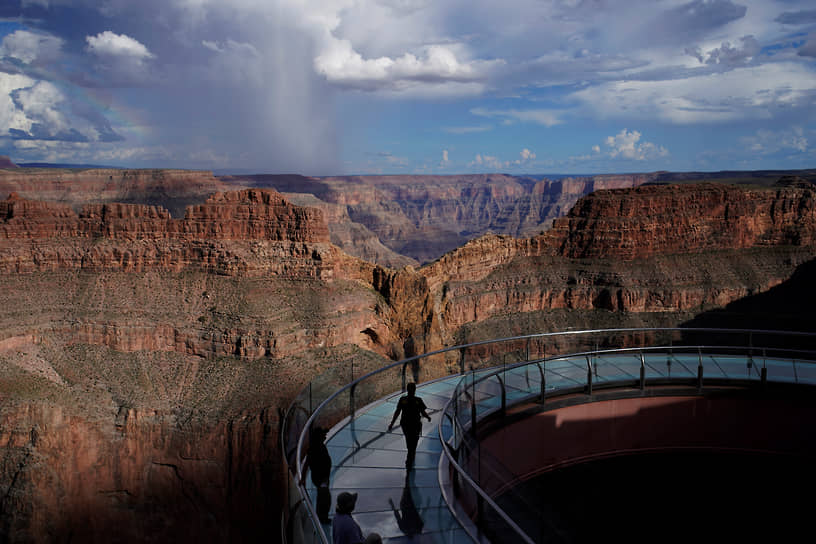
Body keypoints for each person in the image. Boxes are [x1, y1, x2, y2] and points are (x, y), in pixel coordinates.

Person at [387, 382, 431, 469]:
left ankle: (410, 456)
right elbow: (423, 412)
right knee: (414, 441)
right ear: (415, 390)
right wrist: (428, 417)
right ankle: (410, 456)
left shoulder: (403, 400)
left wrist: (392, 423)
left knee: (409, 440)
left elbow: (397, 412)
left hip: (406, 424)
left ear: (407, 389)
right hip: (415, 425)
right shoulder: (418, 400)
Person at [301, 426, 332, 523]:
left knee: (323, 496)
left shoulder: (320, 445)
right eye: (324, 435)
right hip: (320, 478)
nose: (325, 437)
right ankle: (322, 518)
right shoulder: (314, 449)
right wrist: (303, 479)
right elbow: (306, 463)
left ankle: (322, 516)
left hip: (324, 477)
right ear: (319, 437)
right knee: (324, 497)